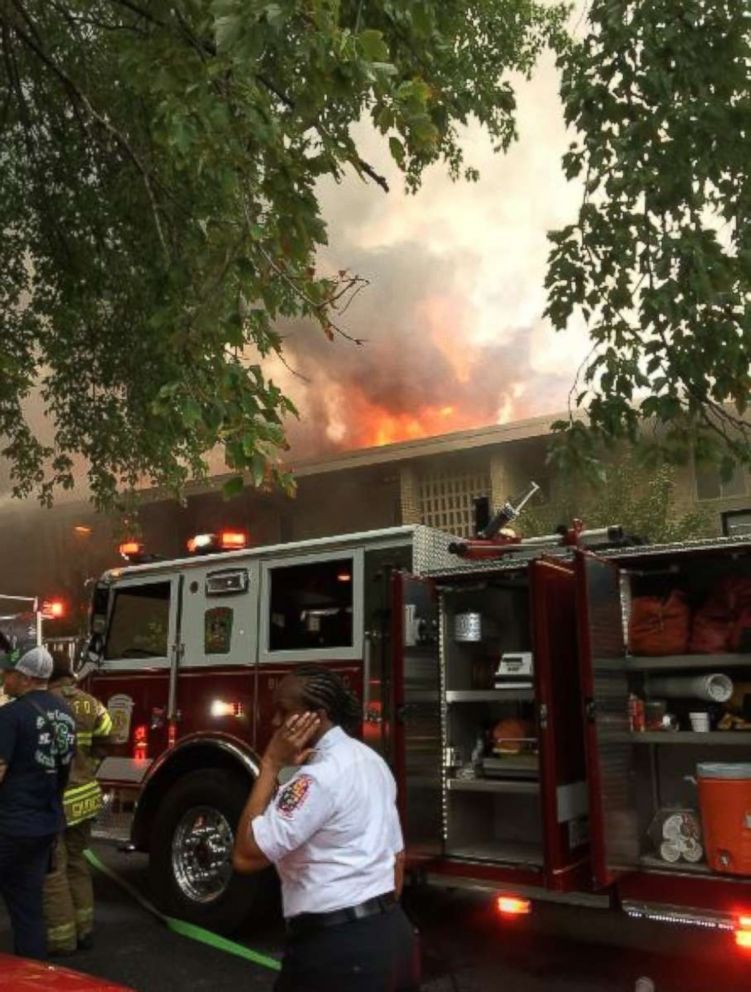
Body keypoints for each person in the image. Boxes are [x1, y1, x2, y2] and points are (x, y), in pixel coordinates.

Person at [233, 664, 420, 992]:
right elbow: (398, 859)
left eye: (284, 711)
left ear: (315, 717)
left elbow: (246, 855)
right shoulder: (372, 761)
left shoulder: (318, 778)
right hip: (393, 938)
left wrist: (271, 765)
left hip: (337, 954)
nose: (275, 722)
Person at [0, 644, 76, 959]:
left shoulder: (10, 715)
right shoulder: (65, 713)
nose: (4, 678)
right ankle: (30, 975)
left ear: (26, 678)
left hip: (8, 826)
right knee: (28, 909)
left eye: (9, 673)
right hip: (44, 825)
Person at [43, 652, 113, 955]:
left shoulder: (42, 704)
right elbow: (108, 738)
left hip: (57, 798)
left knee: (53, 868)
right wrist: (89, 766)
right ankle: (85, 929)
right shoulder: (92, 703)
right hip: (85, 795)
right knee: (76, 862)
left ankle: (61, 939)